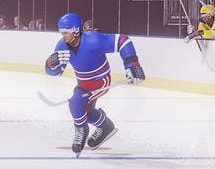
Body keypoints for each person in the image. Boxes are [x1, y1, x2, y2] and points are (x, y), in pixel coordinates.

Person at [42, 12, 142, 155]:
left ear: (76, 30)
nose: (63, 36)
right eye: (61, 32)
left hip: (100, 80)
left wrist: (132, 65)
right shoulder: (62, 45)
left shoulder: (94, 40)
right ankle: (105, 126)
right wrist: (50, 64)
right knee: (83, 112)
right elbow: (56, 73)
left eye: (66, 32)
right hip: (83, 83)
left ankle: (81, 130)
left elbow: (123, 40)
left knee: (76, 103)